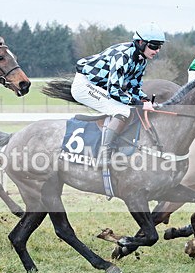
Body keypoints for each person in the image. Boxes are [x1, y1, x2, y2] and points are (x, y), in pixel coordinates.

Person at [70, 23, 164, 166]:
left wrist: (145, 99)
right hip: (85, 85)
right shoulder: (123, 56)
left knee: (132, 108)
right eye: (154, 46)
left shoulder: (141, 60)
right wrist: (140, 103)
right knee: (123, 111)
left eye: (160, 46)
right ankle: (104, 154)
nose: (157, 50)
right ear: (140, 43)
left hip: (100, 87)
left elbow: (134, 87)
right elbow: (114, 90)